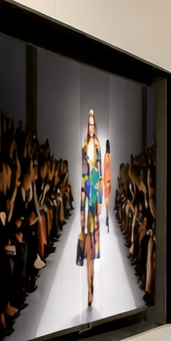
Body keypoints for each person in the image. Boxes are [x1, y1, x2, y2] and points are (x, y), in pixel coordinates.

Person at [76, 109, 102, 308]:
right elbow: (84, 174)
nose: (91, 128)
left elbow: (99, 175)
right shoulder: (84, 147)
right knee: (87, 245)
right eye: (89, 125)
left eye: (93, 125)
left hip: (94, 198)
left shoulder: (98, 148)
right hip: (86, 195)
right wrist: (82, 202)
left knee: (92, 246)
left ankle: (91, 287)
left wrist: (99, 199)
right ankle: (88, 289)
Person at [103, 138, 112, 233]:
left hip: (107, 181)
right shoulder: (109, 156)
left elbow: (105, 169)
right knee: (107, 200)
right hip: (109, 181)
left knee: (107, 200)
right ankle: (107, 216)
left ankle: (107, 216)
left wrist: (104, 181)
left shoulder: (106, 156)